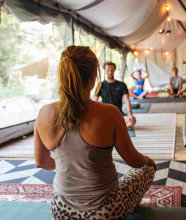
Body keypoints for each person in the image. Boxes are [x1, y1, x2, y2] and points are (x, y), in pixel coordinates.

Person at [34, 46, 156, 219]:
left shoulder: (44, 113)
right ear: (93, 78)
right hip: (106, 212)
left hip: (61, 211)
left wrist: (67, 166)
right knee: (146, 169)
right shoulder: (110, 113)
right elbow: (133, 160)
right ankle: (133, 204)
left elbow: (41, 162)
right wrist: (149, 161)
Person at [94, 62, 136, 129]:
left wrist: (130, 113)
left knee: (132, 121)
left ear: (114, 70)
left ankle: (111, 127)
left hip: (118, 114)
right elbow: (95, 101)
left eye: (112, 70)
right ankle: (117, 127)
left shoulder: (122, 85)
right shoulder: (100, 85)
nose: (110, 72)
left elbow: (127, 100)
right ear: (104, 71)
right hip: (105, 114)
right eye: (108, 70)